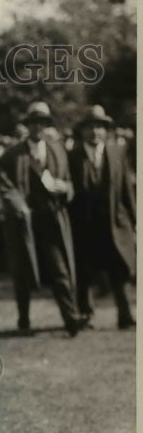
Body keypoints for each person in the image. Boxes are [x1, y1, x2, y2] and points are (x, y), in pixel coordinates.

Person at [0, 102, 85, 336]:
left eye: (43, 123)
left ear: (47, 126)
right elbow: (5, 187)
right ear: (28, 126)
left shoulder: (57, 151)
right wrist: (19, 206)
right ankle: (24, 319)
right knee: (23, 272)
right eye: (34, 123)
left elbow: (69, 184)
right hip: (23, 223)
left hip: (52, 221)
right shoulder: (12, 155)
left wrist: (64, 188)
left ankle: (71, 318)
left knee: (61, 270)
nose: (38, 127)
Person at [67, 105, 136, 330]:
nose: (95, 132)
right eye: (90, 128)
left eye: (99, 127)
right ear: (82, 131)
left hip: (115, 222)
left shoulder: (117, 154)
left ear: (105, 130)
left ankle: (125, 315)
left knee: (119, 270)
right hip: (85, 224)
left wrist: (135, 221)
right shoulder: (73, 157)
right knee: (85, 271)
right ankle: (86, 314)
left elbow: (126, 189)